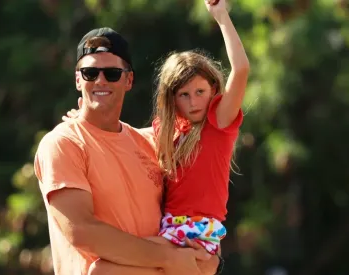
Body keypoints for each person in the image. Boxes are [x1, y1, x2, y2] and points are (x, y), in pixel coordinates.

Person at [63, 0, 249, 274]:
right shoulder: (166, 132)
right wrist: (85, 118)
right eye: (184, 95)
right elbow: (124, 135)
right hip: (169, 227)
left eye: (200, 92)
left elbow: (241, 69)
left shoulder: (218, 124)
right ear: (173, 99)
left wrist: (221, 16)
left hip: (196, 232)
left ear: (213, 90)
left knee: (101, 271)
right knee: (104, 269)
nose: (194, 102)